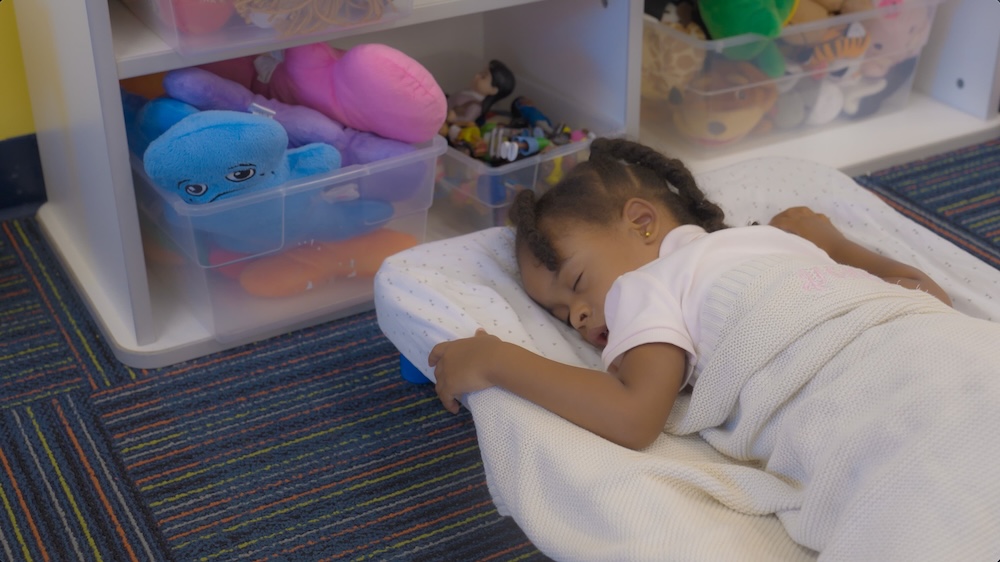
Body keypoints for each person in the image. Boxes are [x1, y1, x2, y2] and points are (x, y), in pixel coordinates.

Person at [427, 137, 952, 451]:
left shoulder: (646, 286)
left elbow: (633, 417)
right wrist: (834, 243)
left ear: (642, 223)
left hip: (874, 385)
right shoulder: (766, 243)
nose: (580, 314)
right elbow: (928, 302)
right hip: (933, 356)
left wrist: (497, 360)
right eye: (561, 316)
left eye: (578, 283)